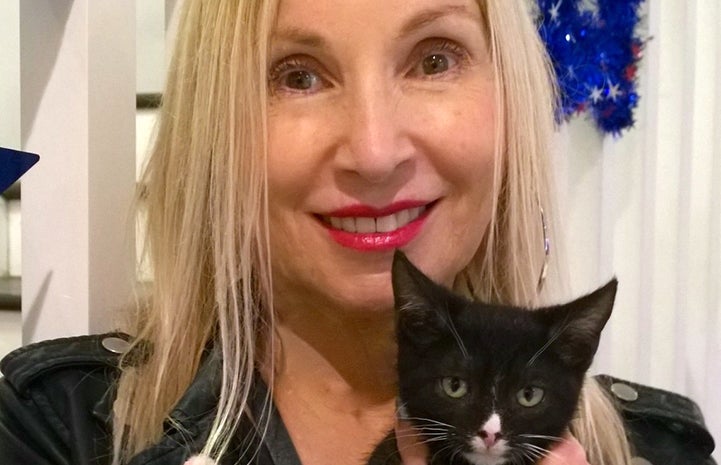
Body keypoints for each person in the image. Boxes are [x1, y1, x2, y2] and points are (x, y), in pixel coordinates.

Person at [0, 1, 715, 464]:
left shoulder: (662, 449)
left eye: (434, 58)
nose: (374, 152)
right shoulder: (54, 429)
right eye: (297, 76)